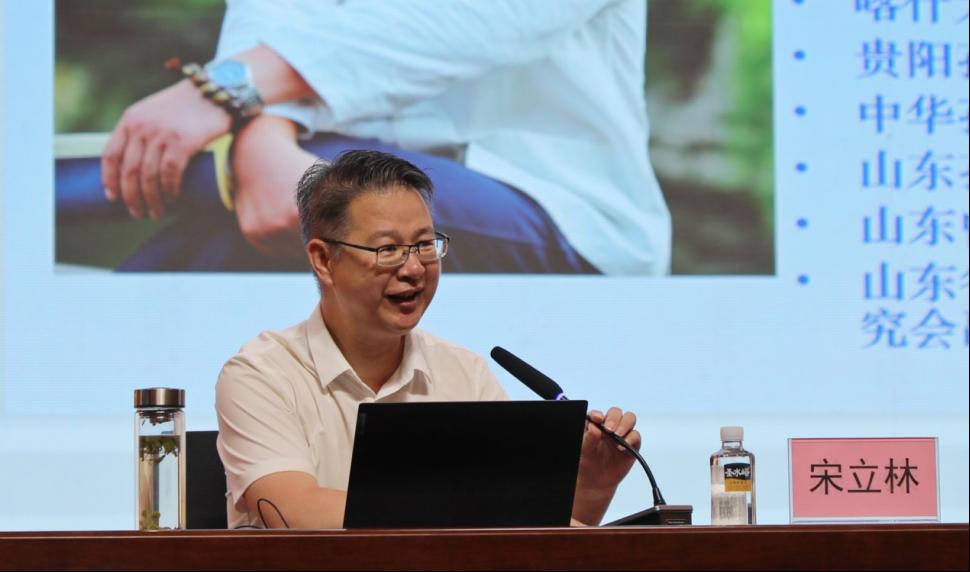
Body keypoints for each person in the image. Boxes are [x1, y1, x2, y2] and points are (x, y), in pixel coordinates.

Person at [215, 150, 641, 528]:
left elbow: (525, 534)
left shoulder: (464, 375)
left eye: (424, 245)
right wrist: (470, 509)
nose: (414, 268)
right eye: (388, 249)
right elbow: (294, 512)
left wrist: (593, 486)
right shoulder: (262, 374)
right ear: (324, 260)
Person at [101, 0, 671, 274]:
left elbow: (480, 21)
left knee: (203, 239)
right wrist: (261, 136)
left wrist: (230, 90)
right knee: (209, 234)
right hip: (322, 158)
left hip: (556, 209)